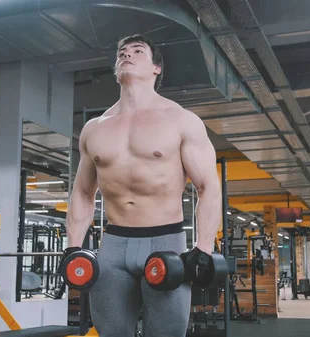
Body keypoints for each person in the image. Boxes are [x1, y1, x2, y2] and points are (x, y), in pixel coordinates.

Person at [64, 34, 222, 337]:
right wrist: (73, 246)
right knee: (109, 332)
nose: (127, 55)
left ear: (156, 68)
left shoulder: (182, 120)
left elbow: (208, 188)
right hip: (113, 246)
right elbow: (83, 192)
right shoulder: (94, 128)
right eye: (121, 52)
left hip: (166, 243)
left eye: (138, 51)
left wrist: (203, 247)